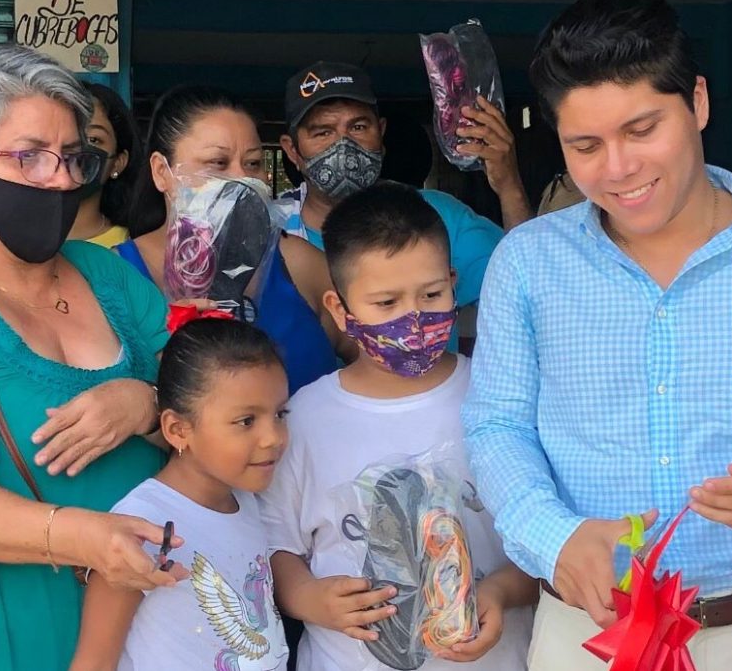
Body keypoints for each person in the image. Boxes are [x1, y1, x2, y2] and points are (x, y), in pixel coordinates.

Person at [462, 0, 732, 670]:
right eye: (585, 146)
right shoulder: (529, 262)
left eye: (642, 128)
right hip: (586, 635)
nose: (619, 167)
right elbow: (497, 425)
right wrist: (554, 537)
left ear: (699, 103)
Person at [0, 42, 186, 670]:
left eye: (75, 158)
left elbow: (206, 409)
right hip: (4, 639)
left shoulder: (112, 276)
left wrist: (145, 404)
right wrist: (84, 537)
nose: (64, 180)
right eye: (30, 158)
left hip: (161, 632)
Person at [259, 182, 536, 671]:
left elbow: (546, 544)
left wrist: (500, 591)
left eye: (431, 294)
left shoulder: (498, 397)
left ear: (454, 282)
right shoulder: (302, 419)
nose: (412, 318)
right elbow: (277, 546)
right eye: (385, 304)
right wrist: (311, 599)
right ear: (339, 310)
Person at [71, 314, 291, 670]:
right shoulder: (143, 526)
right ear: (177, 429)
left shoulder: (246, 501)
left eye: (281, 413)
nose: (274, 437)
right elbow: (94, 662)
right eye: (246, 421)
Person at [119, 85, 354, 395]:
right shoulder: (115, 275)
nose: (241, 179)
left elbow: (378, 359)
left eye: (253, 163)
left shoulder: (298, 264)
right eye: (218, 163)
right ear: (162, 172)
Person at [278, 61, 528, 319]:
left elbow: (528, 286)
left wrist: (509, 186)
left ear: (381, 132)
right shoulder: (271, 230)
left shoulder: (436, 215)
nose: (343, 145)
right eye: (323, 133)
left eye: (359, 127)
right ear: (292, 150)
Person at [69, 82, 139, 248]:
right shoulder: (14, 240)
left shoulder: (133, 251)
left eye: (93, 139)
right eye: (69, 134)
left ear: (118, 163)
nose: (77, 149)